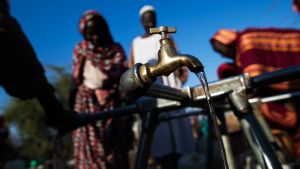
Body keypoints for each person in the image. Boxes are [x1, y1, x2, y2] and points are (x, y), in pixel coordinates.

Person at [211, 28, 300, 158]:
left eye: (220, 51)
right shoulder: (241, 49)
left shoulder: (246, 41)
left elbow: (252, 79)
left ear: (226, 43)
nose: (222, 55)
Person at [129, 5, 195, 169]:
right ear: (141, 21)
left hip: (172, 88)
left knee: (178, 130)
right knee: (159, 134)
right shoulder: (135, 43)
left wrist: (182, 76)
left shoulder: (165, 36)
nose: (150, 21)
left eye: (152, 18)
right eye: (146, 19)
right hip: (151, 92)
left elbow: (179, 59)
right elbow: (131, 66)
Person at [0, 0, 82, 133]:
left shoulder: (9, 23)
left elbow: (28, 57)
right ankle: (55, 112)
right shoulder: (7, 25)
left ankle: (55, 112)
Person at [71, 10, 130, 169]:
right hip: (87, 105)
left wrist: (108, 82)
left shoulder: (116, 49)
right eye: (90, 34)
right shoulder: (81, 49)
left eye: (98, 32)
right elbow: (75, 80)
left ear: (105, 29)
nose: (95, 37)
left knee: (115, 149)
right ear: (84, 35)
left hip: (113, 104)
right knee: (90, 149)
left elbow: (123, 74)